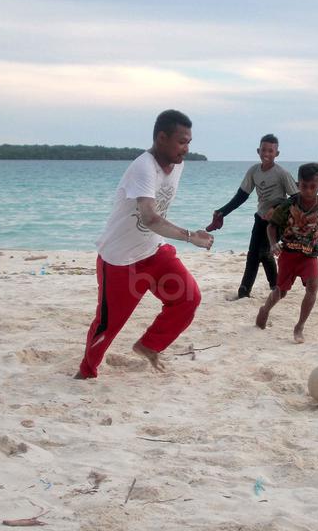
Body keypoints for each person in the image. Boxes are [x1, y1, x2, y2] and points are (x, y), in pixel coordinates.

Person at [74, 110, 214, 379]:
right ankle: (86, 372)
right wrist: (189, 236)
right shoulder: (143, 167)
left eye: (189, 142)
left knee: (188, 298)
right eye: (181, 142)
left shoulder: (178, 165)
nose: (186, 149)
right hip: (120, 261)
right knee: (107, 327)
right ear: (162, 138)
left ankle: (149, 345)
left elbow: (157, 216)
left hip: (154, 251)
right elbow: (149, 216)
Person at [206, 134, 299, 300]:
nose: (267, 153)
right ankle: (252, 289)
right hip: (260, 218)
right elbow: (241, 196)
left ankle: (267, 287)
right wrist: (222, 212)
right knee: (253, 254)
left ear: (277, 154)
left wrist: (277, 208)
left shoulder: (282, 173)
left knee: (263, 253)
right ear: (258, 151)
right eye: (264, 149)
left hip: (277, 221)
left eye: (271, 150)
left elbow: (296, 198)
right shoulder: (254, 171)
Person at [255, 163, 318, 344]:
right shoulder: (288, 205)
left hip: (309, 255)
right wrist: (274, 244)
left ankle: (299, 326)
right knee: (280, 292)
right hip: (288, 254)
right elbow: (271, 226)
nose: (308, 190)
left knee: (313, 287)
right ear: (298, 185)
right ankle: (265, 309)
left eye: (313, 186)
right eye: (304, 186)